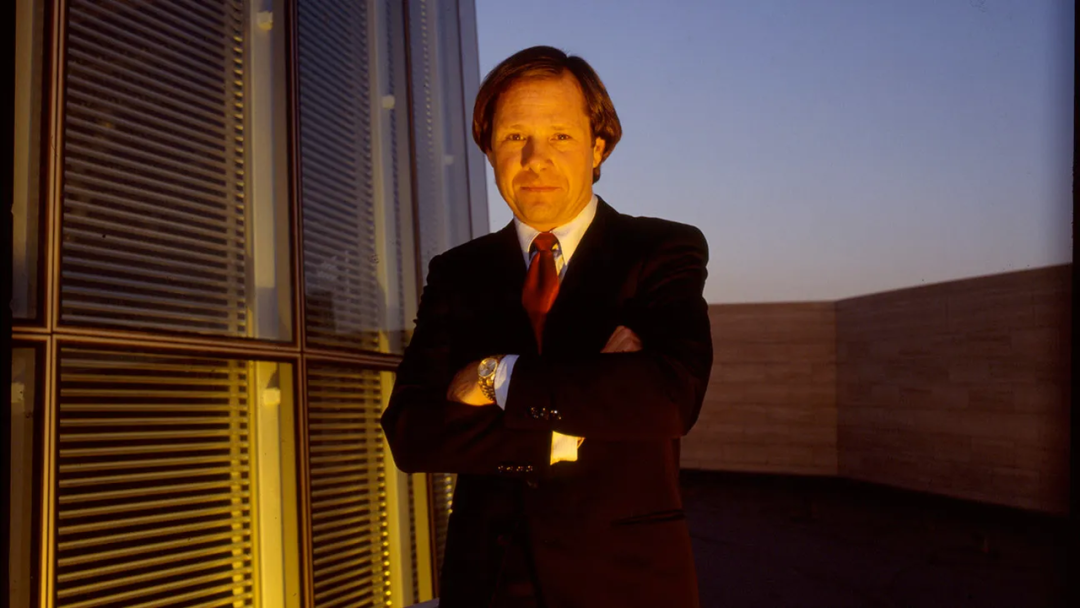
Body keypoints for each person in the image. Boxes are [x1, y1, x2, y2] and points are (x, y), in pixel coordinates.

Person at [381, 45, 713, 608]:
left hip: (625, 584)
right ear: (490, 150)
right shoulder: (457, 272)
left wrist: (494, 376)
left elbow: (669, 398)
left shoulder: (661, 249)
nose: (535, 158)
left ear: (597, 146)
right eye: (514, 136)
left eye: (560, 135)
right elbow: (412, 431)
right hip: (485, 584)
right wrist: (572, 416)